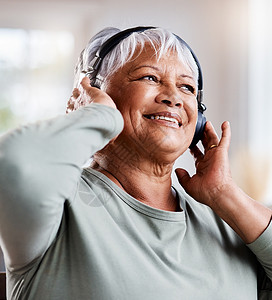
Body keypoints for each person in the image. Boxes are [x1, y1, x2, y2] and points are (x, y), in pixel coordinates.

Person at [0, 26, 271, 300]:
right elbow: (14, 164)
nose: (173, 97)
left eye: (187, 87)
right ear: (96, 95)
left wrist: (223, 193)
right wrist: (96, 117)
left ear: (198, 120)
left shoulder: (229, 221)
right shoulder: (60, 202)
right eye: (150, 77)